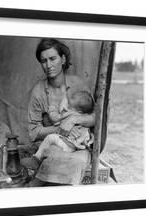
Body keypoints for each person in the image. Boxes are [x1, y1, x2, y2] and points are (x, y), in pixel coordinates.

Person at [24, 38, 96, 185]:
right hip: (52, 144)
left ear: (62, 59)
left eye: (52, 59)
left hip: (78, 144)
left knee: (75, 163)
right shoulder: (38, 91)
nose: (48, 65)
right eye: (44, 61)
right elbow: (33, 132)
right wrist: (61, 128)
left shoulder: (77, 84)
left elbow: (96, 118)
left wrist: (74, 120)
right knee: (53, 158)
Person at [22, 90, 94, 170]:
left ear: (78, 111)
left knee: (50, 138)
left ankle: (36, 159)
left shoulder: (70, 114)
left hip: (68, 145)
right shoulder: (83, 116)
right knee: (50, 144)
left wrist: (52, 109)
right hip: (73, 144)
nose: (67, 108)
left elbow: (55, 118)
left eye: (70, 107)